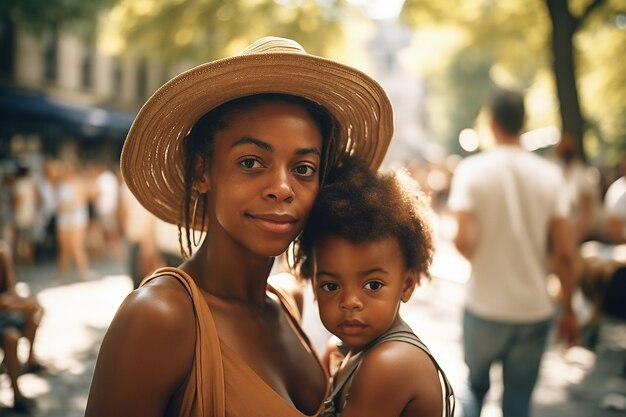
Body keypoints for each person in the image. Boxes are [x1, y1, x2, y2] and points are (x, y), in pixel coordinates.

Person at [85, 36, 393, 417]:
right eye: (251, 162)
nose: (282, 188)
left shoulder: (286, 306)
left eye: (303, 169)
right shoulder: (158, 316)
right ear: (202, 171)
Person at [447, 88, 579, 417]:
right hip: (534, 309)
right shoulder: (551, 176)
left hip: (484, 306)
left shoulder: (471, 171)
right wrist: (569, 309)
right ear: (523, 122)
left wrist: (486, 259)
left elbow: (462, 240)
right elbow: (564, 252)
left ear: (491, 122)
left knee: (473, 388)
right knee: (519, 403)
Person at [293, 156, 454, 417]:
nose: (350, 301)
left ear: (407, 285)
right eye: (331, 286)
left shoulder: (391, 363)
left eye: (373, 284)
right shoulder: (342, 351)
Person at [0, 240, 44, 413]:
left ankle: (30, 359)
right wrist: (16, 304)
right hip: (4, 312)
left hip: (6, 309)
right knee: (11, 338)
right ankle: (16, 394)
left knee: (34, 311)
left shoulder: (2, 252)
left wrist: (24, 303)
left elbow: (10, 288)